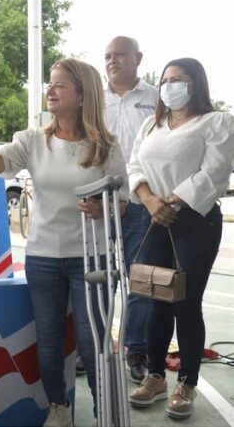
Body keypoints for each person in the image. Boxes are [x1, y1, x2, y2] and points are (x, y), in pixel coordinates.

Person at [0, 58, 128, 427]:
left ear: (81, 95)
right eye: (50, 83)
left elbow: (121, 200)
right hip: (44, 256)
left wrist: (101, 209)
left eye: (59, 85)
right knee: (48, 341)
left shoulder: (105, 145)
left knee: (93, 344)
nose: (50, 90)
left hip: (90, 258)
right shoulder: (32, 141)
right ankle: (58, 410)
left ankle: (104, 413)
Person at [126, 58, 234, 420]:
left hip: (194, 220)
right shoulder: (152, 123)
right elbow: (134, 166)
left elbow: (214, 172)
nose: (170, 86)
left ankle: (187, 381)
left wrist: (172, 201)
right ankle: (156, 376)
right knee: (156, 298)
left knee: (186, 302)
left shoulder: (216, 122)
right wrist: (151, 201)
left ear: (196, 85)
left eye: (179, 80)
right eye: (166, 80)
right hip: (154, 216)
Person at [103, 36, 158, 383]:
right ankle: (92, 347)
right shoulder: (93, 99)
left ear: (137, 58)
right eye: (107, 56)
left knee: (140, 280)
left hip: (141, 203)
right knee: (98, 280)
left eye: (119, 54)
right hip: (100, 204)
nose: (112, 61)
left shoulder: (157, 98)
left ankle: (135, 349)